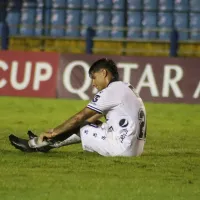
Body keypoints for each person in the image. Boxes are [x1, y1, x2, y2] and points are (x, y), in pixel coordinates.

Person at [9, 58, 147, 157]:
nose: (93, 83)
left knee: (83, 126)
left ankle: (35, 145)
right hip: (134, 148)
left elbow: (80, 117)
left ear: (104, 73)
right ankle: (46, 143)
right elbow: (93, 117)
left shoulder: (110, 91)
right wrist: (57, 131)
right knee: (89, 123)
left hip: (121, 149)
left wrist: (54, 133)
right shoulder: (125, 87)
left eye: (94, 77)